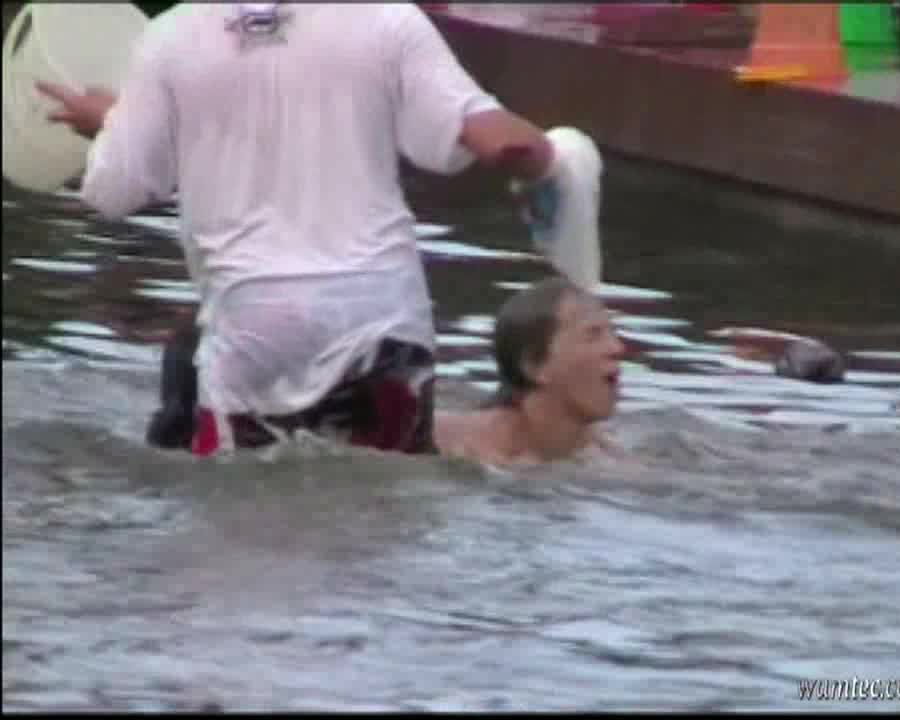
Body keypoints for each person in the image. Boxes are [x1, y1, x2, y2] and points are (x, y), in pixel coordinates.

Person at [37, 2, 571, 456]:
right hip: (381, 319)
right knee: (386, 511)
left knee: (236, 516)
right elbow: (505, 143)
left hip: (255, 326)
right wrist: (555, 164)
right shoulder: (387, 19)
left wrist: (112, 123)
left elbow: (117, 190)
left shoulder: (171, 36)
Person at [433, 276, 627, 465]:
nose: (617, 348)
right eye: (593, 335)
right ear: (534, 366)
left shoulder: (601, 450)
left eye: (612, 332)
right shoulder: (463, 445)